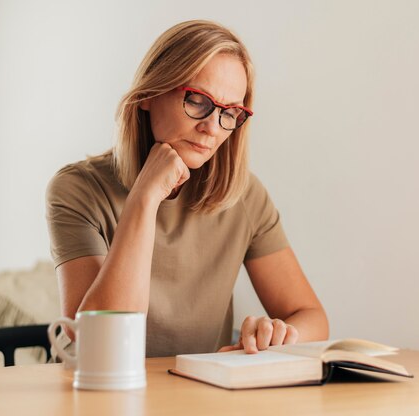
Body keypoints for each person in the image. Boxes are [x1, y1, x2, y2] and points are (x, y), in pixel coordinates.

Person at [45, 20, 329, 357]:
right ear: (149, 94)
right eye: (197, 100)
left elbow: (313, 318)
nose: (212, 127)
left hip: (200, 395)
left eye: (230, 112)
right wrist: (145, 198)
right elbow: (99, 344)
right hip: (99, 394)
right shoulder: (78, 189)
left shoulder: (246, 196)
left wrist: (278, 334)